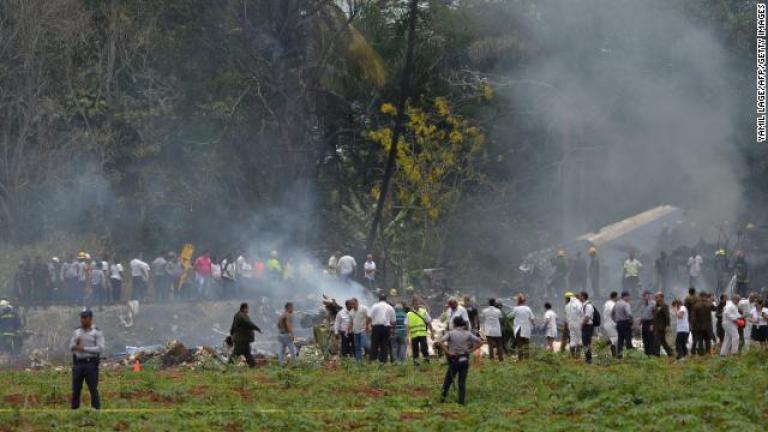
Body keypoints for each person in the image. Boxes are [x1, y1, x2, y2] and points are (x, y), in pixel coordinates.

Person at [439, 316, 482, 405]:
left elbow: (440, 342)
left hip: (454, 359)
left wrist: (448, 352)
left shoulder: (451, 333)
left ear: (454, 324)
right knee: (462, 382)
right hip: (464, 359)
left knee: (448, 381)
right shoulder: (467, 333)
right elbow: (480, 342)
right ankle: (461, 401)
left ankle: (442, 399)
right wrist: (470, 351)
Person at [70, 309, 104, 410]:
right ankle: (75, 411)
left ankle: (96, 410)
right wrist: (76, 344)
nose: (82, 320)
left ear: (90, 319)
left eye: (85, 318)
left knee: (93, 388)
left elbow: (100, 348)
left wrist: (84, 349)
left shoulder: (96, 332)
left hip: (91, 364)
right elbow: (71, 346)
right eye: (81, 317)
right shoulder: (77, 332)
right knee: (76, 389)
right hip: (78, 363)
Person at [229, 302, 262, 368]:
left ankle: (253, 365)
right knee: (236, 353)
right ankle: (229, 365)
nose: (248, 310)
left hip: (242, 339)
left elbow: (233, 327)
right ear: (244, 308)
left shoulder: (237, 315)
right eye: (247, 309)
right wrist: (258, 329)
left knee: (247, 353)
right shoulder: (242, 316)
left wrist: (232, 334)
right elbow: (249, 323)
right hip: (241, 339)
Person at [369, 295, 395, 363]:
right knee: (384, 345)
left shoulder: (375, 306)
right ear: (386, 299)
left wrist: (369, 326)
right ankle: (383, 361)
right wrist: (392, 330)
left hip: (376, 327)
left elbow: (370, 317)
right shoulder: (390, 307)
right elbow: (393, 321)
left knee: (374, 344)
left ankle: (373, 360)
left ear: (379, 299)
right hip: (386, 328)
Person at [510, 294, 534, 360]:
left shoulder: (515, 309)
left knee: (519, 346)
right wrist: (532, 325)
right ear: (524, 301)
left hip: (518, 329)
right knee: (526, 346)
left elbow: (510, 316)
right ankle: (527, 360)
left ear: (518, 301)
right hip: (526, 329)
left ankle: (520, 360)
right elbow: (532, 319)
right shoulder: (528, 309)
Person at [612, 291, 633, 358]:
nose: (629, 298)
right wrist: (631, 320)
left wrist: (615, 320)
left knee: (620, 340)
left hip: (618, 324)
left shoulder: (616, 304)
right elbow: (629, 314)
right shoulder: (626, 304)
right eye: (628, 296)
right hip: (625, 323)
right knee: (628, 339)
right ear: (625, 296)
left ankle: (619, 355)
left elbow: (612, 314)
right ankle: (630, 355)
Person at [351, 298, 371, 364]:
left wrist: (367, 325)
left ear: (357, 302)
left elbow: (369, 317)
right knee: (357, 347)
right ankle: (358, 362)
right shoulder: (351, 312)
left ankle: (372, 357)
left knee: (365, 345)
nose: (353, 305)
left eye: (354, 304)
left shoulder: (363, 308)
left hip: (363, 330)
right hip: (355, 332)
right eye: (352, 304)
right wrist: (350, 329)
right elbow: (351, 321)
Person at [652, 292, 673, 357]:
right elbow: (654, 316)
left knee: (657, 340)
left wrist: (668, 325)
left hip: (661, 326)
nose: (656, 298)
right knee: (662, 341)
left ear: (661, 298)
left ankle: (657, 354)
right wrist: (652, 324)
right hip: (656, 326)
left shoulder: (664, 306)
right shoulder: (656, 306)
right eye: (655, 297)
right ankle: (670, 352)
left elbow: (667, 316)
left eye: (657, 297)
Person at [277, 302, 297, 366]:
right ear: (289, 307)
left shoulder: (282, 315)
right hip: (286, 335)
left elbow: (278, 325)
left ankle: (281, 364)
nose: (293, 309)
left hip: (280, 335)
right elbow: (288, 325)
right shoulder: (288, 315)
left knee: (281, 351)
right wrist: (291, 334)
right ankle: (294, 364)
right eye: (292, 307)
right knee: (293, 350)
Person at [564, 291, 583, 357]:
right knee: (580, 340)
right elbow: (582, 312)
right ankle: (577, 355)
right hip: (578, 324)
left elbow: (567, 317)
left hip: (571, 325)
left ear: (567, 298)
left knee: (572, 340)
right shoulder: (578, 303)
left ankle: (573, 356)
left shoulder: (567, 306)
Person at [602, 291, 619, 358]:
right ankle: (603, 344)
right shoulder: (612, 304)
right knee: (615, 339)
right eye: (618, 297)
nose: (618, 298)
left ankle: (614, 355)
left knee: (614, 339)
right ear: (615, 297)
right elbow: (613, 313)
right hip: (611, 324)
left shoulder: (607, 303)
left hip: (608, 323)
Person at [640, 291, 656, 356]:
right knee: (645, 337)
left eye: (646, 295)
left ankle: (652, 352)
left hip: (650, 322)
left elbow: (655, 314)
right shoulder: (642, 304)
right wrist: (640, 322)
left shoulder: (653, 304)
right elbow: (643, 315)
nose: (645, 297)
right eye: (644, 296)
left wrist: (653, 324)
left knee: (651, 338)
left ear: (649, 296)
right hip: (644, 323)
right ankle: (647, 353)